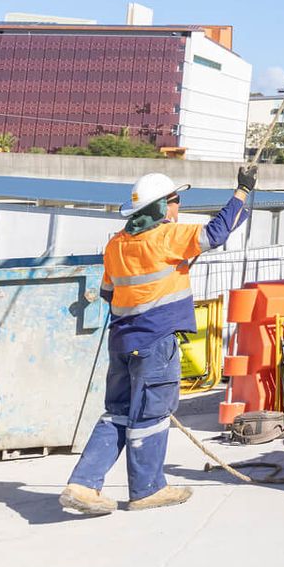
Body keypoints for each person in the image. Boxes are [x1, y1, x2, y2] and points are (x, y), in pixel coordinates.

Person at [59, 165, 254, 515]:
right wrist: (242, 191)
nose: (178, 208)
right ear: (162, 207)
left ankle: (83, 484)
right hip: (156, 343)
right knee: (151, 417)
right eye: (176, 201)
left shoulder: (116, 244)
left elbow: (108, 293)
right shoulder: (168, 237)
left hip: (121, 342)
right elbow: (217, 233)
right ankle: (148, 490)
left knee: (116, 415)